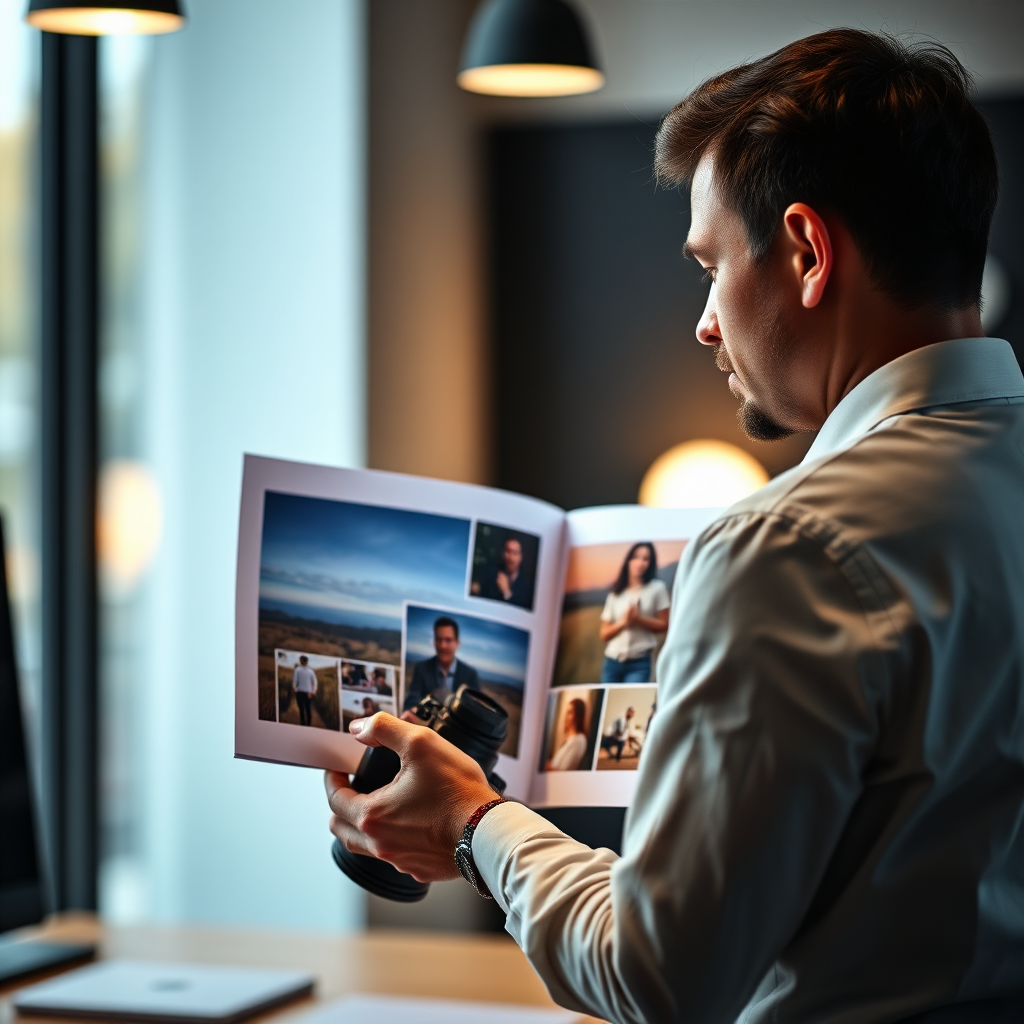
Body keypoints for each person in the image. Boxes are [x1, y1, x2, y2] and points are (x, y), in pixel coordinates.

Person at [324, 30, 1024, 1023]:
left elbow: (656, 979)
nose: (703, 321)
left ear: (807, 253)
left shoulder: (786, 546)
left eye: (711, 265)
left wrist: (474, 820)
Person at [599, 542, 670, 682]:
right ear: (628, 561)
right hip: (612, 661)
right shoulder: (616, 592)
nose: (640, 563)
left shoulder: (657, 588)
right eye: (636, 557)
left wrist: (639, 619)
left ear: (651, 563)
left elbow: (665, 624)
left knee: (632, 702)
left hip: (639, 663)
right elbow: (604, 634)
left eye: (646, 559)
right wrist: (624, 622)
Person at [401, 616, 479, 715]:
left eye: (448, 640)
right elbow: (412, 701)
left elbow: (474, 711)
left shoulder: (470, 675)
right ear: (434, 642)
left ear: (457, 643)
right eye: (439, 639)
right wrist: (412, 711)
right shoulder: (421, 668)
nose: (442, 646)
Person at [477, 535, 534, 609]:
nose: (511, 558)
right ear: (503, 553)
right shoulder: (490, 575)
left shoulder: (526, 586)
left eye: (515, 553)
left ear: (521, 557)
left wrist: (507, 592)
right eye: (508, 552)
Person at [546, 697, 590, 771]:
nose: (567, 717)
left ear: (578, 715)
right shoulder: (571, 739)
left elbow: (562, 772)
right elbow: (556, 764)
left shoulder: (579, 740)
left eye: (570, 712)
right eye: (567, 712)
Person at [291, 655, 317, 727]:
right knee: (305, 709)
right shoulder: (305, 670)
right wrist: (312, 692)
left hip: (303, 693)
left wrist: (312, 692)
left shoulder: (300, 670)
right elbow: (315, 682)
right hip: (305, 692)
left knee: (304, 709)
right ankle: (306, 724)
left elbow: (295, 681)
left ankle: (306, 724)